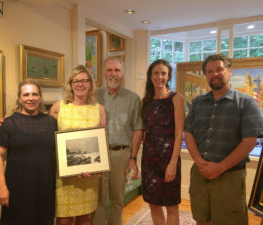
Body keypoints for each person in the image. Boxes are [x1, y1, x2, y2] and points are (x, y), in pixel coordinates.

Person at [184, 54, 263, 225]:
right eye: (210, 71)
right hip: (200, 175)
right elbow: (188, 133)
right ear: (206, 75)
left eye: (219, 69)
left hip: (229, 177)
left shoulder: (246, 103)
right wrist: (199, 162)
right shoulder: (197, 103)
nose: (215, 74)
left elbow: (249, 141)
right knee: (201, 218)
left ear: (229, 71)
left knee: (230, 221)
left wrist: (220, 167)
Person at [0, 81, 57, 225]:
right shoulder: (9, 123)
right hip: (17, 188)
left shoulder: (51, 123)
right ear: (20, 98)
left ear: (40, 97)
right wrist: (1, 187)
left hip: (44, 188)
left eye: (35, 94)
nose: (31, 98)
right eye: (26, 94)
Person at [49, 65, 106, 225]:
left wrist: (97, 167)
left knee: (84, 219)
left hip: (89, 176)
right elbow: (45, 136)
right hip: (64, 176)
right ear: (70, 84)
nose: (80, 84)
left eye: (84, 80)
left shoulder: (99, 110)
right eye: (76, 81)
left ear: (90, 84)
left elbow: (101, 142)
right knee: (63, 220)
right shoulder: (58, 107)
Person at [91, 57, 143, 225]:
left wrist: (133, 159)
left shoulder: (133, 99)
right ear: (104, 73)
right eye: (109, 70)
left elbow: (138, 130)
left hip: (121, 155)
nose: (113, 74)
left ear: (123, 73)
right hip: (97, 154)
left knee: (117, 200)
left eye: (117, 70)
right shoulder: (93, 96)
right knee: (97, 202)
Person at [140, 59, 185, 225]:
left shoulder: (176, 99)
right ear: (150, 77)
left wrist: (173, 163)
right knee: (153, 204)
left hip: (168, 160)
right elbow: (142, 132)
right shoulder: (145, 102)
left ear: (168, 76)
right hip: (149, 161)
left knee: (172, 206)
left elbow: (179, 132)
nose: (160, 77)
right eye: (156, 73)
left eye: (163, 73)